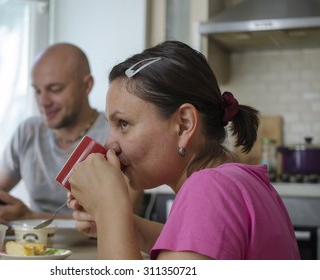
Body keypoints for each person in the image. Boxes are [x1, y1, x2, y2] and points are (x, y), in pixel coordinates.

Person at [67, 41, 300, 260]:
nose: (110, 145)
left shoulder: (209, 188)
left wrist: (110, 211)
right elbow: (196, 245)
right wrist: (124, 226)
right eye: (111, 125)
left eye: (124, 124)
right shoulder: (238, 181)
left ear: (184, 124)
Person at [0, 43, 143, 224]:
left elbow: (123, 218)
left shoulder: (117, 134)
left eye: (55, 89)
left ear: (87, 85)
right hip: (34, 247)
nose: (43, 101)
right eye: (37, 90)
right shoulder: (29, 132)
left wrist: (29, 217)